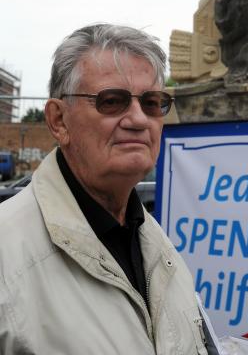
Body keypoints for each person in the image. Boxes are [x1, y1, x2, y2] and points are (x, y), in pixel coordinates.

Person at [0, 23, 213, 355]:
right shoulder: (7, 253)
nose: (138, 119)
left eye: (153, 102)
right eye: (112, 101)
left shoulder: (157, 243)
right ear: (59, 121)